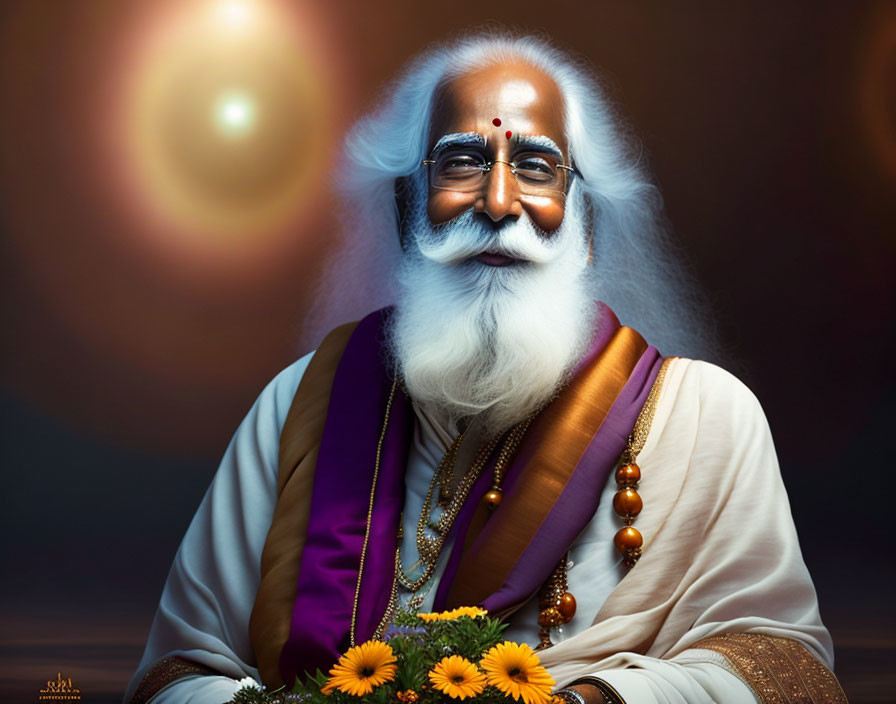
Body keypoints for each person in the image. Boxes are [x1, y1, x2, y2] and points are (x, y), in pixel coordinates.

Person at [124, 33, 847, 704]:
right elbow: (176, 672)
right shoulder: (298, 405)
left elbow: (785, 668)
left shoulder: (703, 416)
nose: (499, 203)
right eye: (463, 161)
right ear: (410, 209)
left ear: (584, 224)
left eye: (535, 166)